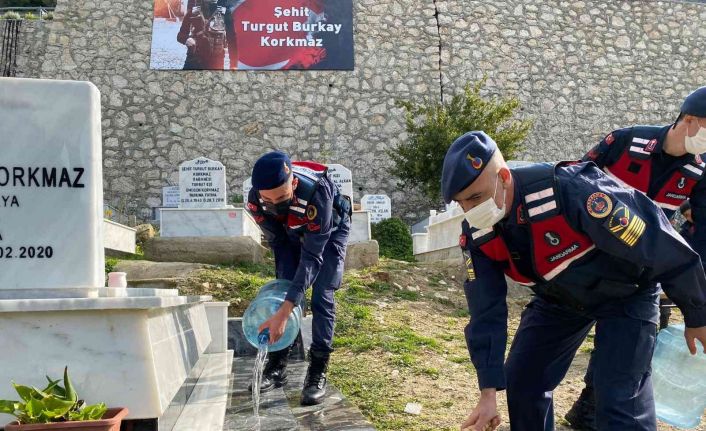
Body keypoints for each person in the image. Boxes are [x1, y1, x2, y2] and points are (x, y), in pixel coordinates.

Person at [441, 131, 706, 431]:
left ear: (503, 176)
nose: (470, 210)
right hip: (560, 300)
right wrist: (487, 392)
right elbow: (485, 310)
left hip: (627, 294)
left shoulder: (572, 190)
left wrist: (697, 313)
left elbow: (659, 243)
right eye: (461, 203)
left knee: (618, 400)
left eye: (476, 197)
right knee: (524, 380)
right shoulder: (478, 232)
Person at [566, 86, 706, 430]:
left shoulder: (700, 171)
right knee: (554, 351)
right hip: (587, 267)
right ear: (689, 120)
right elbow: (571, 182)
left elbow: (699, 234)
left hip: (640, 276)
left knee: (627, 354)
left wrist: (689, 288)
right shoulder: (625, 142)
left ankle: (587, 412)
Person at [246, 151, 351, 405]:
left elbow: (313, 257)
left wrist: (285, 311)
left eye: (282, 197)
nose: (275, 204)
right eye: (269, 200)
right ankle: (277, 364)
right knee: (284, 287)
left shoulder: (318, 193)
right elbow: (279, 244)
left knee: (322, 295)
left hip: (329, 232)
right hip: (290, 233)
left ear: (293, 183)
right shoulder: (255, 201)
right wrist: (286, 297)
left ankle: (317, 370)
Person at [177, 0, 227, 70]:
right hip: (194, 60)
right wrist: (187, 39)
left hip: (216, 62)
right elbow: (180, 36)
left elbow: (233, 38)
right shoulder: (192, 13)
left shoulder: (225, 14)